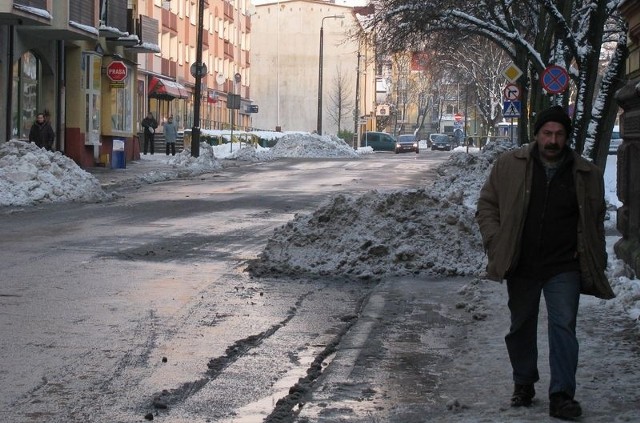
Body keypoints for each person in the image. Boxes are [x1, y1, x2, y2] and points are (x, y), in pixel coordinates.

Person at [475, 105, 615, 420]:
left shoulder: (587, 173)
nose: (552, 140)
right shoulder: (509, 166)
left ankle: (562, 395)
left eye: (559, 134)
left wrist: (595, 255)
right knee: (521, 325)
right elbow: (487, 203)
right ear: (536, 134)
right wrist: (495, 241)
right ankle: (523, 382)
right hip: (521, 262)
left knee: (563, 325)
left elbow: (594, 220)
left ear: (567, 137)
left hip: (563, 264)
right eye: (547, 133)